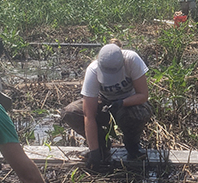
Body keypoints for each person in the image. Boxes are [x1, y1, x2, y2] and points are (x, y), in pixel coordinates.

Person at [61, 40, 152, 168]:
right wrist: (94, 152)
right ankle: (102, 148)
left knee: (136, 114)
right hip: (104, 104)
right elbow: (89, 115)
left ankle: (133, 146)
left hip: (131, 103)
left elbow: (143, 95)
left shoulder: (131, 60)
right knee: (71, 112)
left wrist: (122, 103)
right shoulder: (93, 70)